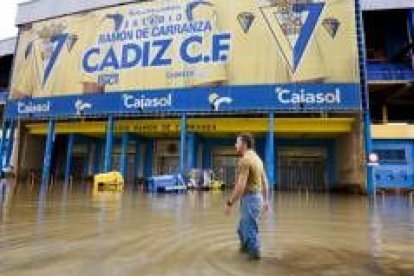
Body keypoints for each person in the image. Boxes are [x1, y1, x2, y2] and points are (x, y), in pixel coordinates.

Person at [224, 133, 269, 260]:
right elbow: (265, 181)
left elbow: (240, 186)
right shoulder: (257, 159)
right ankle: (245, 250)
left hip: (250, 199)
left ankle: (254, 260)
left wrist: (229, 203)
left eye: (237, 142)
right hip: (256, 198)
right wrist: (265, 201)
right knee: (241, 229)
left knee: (250, 232)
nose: (235, 145)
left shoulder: (245, 160)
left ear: (243, 144)